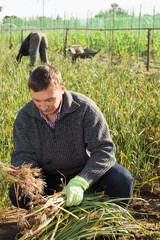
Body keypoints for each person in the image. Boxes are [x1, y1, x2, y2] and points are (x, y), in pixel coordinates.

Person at [8, 65, 133, 210]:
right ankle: (45, 219)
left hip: (82, 168)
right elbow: (23, 154)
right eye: (37, 101)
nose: (43, 106)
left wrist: (82, 181)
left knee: (121, 179)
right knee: (18, 193)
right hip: (47, 173)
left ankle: (114, 224)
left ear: (62, 88)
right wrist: (30, 179)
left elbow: (104, 150)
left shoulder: (85, 108)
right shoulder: (25, 117)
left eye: (49, 99)